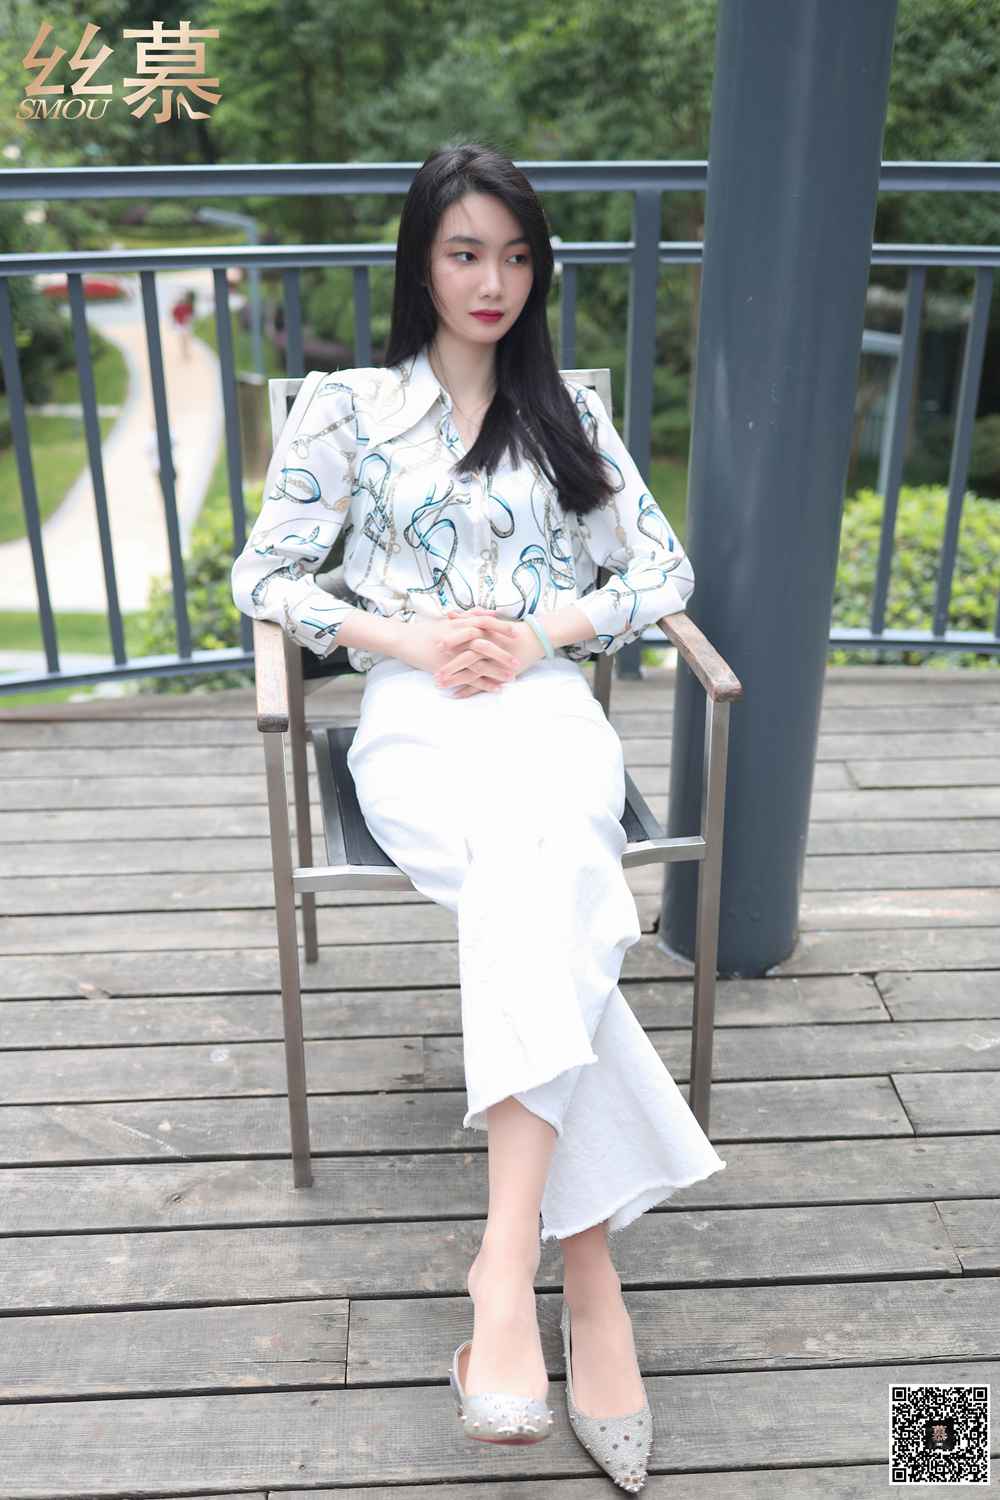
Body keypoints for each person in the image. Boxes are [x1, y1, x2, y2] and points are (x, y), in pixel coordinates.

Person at [230, 141, 726, 1492]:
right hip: (414, 716)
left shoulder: (566, 412)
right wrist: (402, 637)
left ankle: (507, 1274)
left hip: (545, 706)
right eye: (465, 254)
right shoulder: (347, 408)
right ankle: (588, 1279)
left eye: (515, 256)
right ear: (422, 262)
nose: (492, 281)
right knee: (552, 878)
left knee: (538, 854)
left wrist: (541, 632)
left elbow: (662, 569)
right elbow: (266, 575)